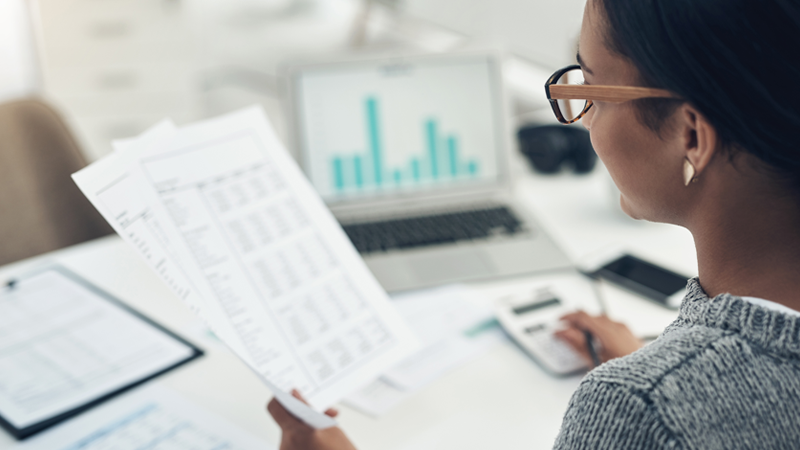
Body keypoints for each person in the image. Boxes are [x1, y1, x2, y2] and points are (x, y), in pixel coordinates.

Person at [267, 0, 800, 447]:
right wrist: (676, 373)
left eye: (592, 89)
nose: (584, 119)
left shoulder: (640, 407)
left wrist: (663, 390)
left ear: (691, 137)